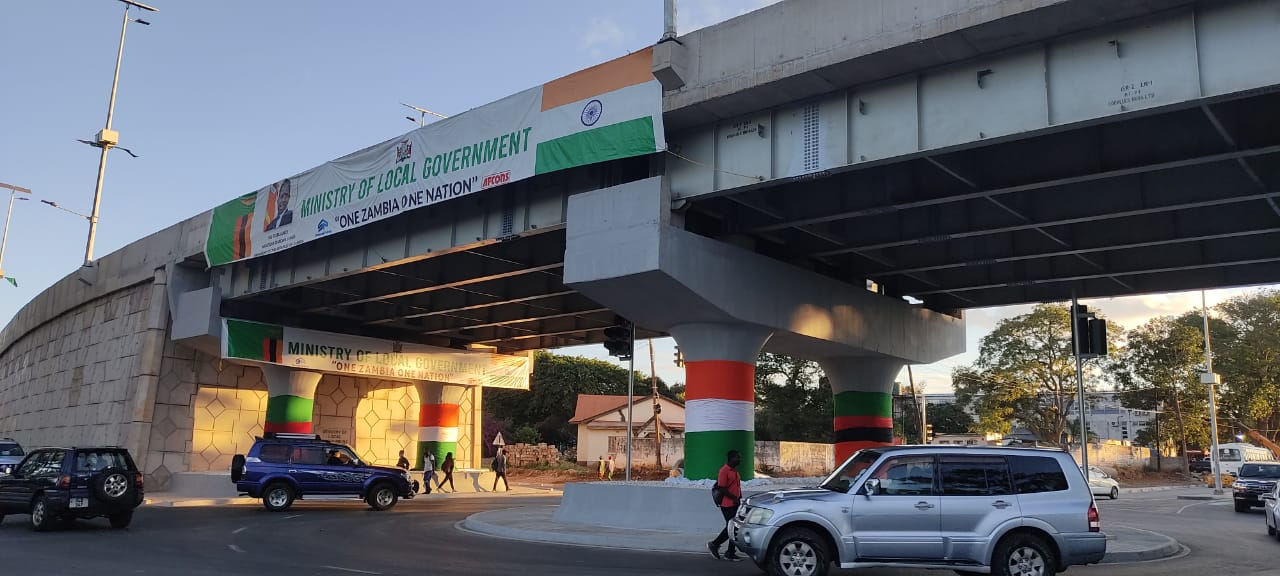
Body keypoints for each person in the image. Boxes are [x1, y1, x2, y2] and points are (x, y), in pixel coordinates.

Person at [708, 449, 744, 561]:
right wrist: (734, 498)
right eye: (737, 457)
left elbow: (737, 486)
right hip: (727, 504)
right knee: (731, 527)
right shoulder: (724, 471)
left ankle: (730, 552)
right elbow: (722, 488)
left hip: (735, 503)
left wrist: (739, 498)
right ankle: (714, 544)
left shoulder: (735, 471)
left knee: (734, 528)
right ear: (731, 458)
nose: (739, 459)